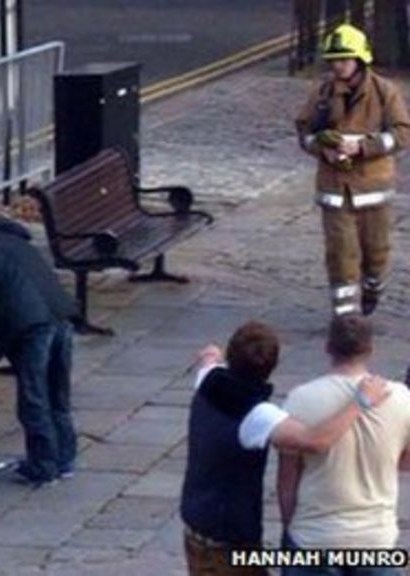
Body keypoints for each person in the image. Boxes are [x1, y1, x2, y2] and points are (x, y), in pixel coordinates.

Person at [182, 321, 390, 576]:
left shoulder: (209, 380)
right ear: (272, 366)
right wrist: (362, 401)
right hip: (228, 543)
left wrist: (212, 353)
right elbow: (317, 441)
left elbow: (207, 361)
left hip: (195, 530)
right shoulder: (257, 415)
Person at [277, 315, 410, 575]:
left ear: (328, 347)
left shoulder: (301, 398)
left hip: (314, 537)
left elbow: (287, 479)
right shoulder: (401, 398)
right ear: (371, 349)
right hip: (375, 540)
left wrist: (288, 526)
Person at [0, 216, 81, 485]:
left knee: (33, 396)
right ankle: (65, 460)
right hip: (60, 313)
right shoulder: (13, 239)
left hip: (29, 323)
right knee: (57, 392)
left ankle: (43, 466)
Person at [295, 24, 410, 316]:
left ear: (359, 59)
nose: (337, 65)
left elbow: (402, 134)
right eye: (333, 60)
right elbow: (304, 130)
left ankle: (373, 287)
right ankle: (345, 318)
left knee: (376, 256)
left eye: (344, 59)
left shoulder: (385, 92)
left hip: (373, 190)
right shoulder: (322, 93)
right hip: (335, 192)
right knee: (340, 256)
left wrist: (362, 147)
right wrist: (323, 148)